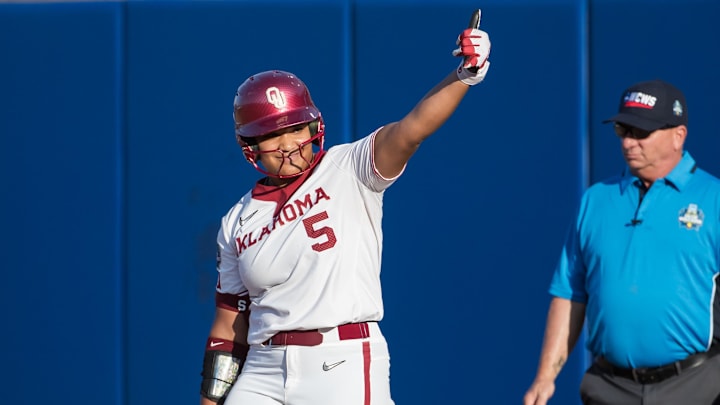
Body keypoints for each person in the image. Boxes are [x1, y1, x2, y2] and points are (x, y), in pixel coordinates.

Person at [198, 10, 492, 405]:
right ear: (249, 146)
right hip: (262, 369)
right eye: (272, 135)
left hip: (342, 359)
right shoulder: (237, 220)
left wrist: (464, 76)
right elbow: (228, 327)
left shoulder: (348, 167)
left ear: (313, 126)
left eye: (295, 128)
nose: (287, 144)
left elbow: (412, 130)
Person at [523, 79, 720, 405]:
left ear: (677, 136)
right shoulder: (596, 200)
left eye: (641, 132)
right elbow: (570, 294)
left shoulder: (712, 199)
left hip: (694, 386)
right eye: (623, 130)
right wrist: (545, 377)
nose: (629, 142)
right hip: (610, 387)